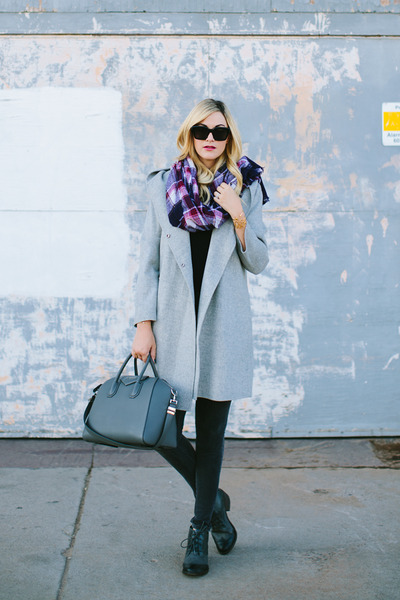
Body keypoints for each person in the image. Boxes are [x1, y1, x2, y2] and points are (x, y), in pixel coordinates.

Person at [131, 98, 269, 577]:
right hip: (173, 328)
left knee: (211, 437)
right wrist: (143, 324)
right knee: (163, 432)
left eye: (220, 132)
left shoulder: (245, 185)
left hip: (221, 327)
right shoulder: (161, 187)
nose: (210, 139)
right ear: (188, 134)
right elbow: (147, 263)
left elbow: (259, 261)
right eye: (201, 130)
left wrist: (238, 214)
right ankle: (215, 504)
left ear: (230, 138)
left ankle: (198, 530)